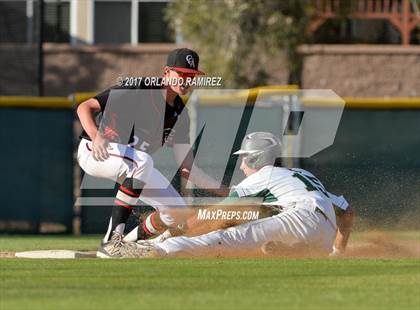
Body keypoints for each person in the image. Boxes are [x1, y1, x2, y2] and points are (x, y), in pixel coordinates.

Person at [76, 48, 227, 258]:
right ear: (166, 72)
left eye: (190, 76)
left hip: (132, 163)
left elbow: (187, 168)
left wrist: (227, 193)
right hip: (95, 151)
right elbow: (85, 106)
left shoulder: (179, 115)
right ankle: (111, 242)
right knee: (143, 162)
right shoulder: (138, 88)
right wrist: (95, 134)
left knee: (178, 213)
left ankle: (128, 242)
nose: (185, 80)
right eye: (181, 74)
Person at [120, 132, 354, 258]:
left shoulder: (265, 174)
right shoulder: (301, 174)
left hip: (301, 217)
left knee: (229, 237)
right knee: (264, 236)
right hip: (325, 232)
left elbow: (224, 209)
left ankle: (158, 250)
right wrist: (337, 252)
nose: (242, 165)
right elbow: (347, 212)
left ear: (256, 157)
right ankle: (291, 249)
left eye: (244, 158)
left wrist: (175, 231)